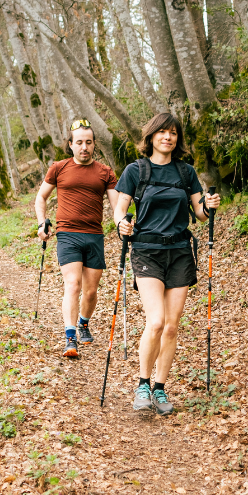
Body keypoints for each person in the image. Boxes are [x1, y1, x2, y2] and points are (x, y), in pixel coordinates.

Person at [114, 113, 220, 415]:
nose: (168, 137)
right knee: (156, 321)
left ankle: (160, 389)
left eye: (173, 133)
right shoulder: (136, 171)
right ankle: (143, 385)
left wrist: (208, 205)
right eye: (162, 132)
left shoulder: (186, 173)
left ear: (178, 139)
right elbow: (119, 209)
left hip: (179, 251)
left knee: (172, 327)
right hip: (146, 251)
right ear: (151, 137)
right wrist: (122, 223)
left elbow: (200, 213)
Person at [35, 119, 119, 358]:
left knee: (91, 292)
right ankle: (70, 338)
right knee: (73, 285)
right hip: (67, 234)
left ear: (94, 145)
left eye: (89, 142)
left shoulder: (105, 172)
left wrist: (122, 223)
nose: (84, 147)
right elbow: (41, 198)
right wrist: (42, 223)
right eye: (79, 142)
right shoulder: (59, 168)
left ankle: (83, 323)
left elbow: (116, 206)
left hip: (94, 236)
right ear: (70, 145)